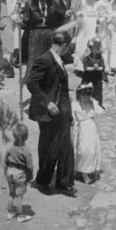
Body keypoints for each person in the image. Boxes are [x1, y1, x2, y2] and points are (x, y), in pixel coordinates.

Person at [26, 32, 76, 197]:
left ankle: (63, 182)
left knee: (65, 147)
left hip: (62, 109)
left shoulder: (58, 59)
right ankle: (43, 181)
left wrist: (68, 112)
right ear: (64, 45)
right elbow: (32, 83)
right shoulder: (45, 59)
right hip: (48, 111)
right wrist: (47, 102)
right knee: (49, 147)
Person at [21, 0, 65, 78]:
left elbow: (60, 19)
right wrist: (20, 21)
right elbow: (25, 22)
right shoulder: (30, 3)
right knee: (35, 58)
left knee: (50, 58)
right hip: (36, 34)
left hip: (50, 33)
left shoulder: (54, 3)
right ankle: (34, 78)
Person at [72, 82, 104, 184]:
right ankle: (81, 172)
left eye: (88, 96)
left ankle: (89, 169)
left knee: (92, 149)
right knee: (82, 150)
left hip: (91, 128)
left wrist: (93, 103)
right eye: (83, 96)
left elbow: (100, 112)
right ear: (79, 95)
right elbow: (72, 118)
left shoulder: (92, 103)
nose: (85, 98)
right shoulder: (75, 104)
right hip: (81, 128)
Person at [4, 123, 33, 222]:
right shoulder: (26, 150)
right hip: (20, 174)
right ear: (27, 136)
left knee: (11, 193)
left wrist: (6, 172)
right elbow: (29, 166)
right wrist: (30, 177)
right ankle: (20, 216)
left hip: (10, 171)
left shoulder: (10, 148)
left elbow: (5, 161)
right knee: (19, 196)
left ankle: (9, 212)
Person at [76, 37, 106, 108]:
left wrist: (98, 68)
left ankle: (98, 104)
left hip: (97, 75)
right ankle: (83, 102)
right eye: (95, 46)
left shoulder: (100, 56)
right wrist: (93, 68)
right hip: (88, 75)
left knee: (98, 89)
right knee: (85, 88)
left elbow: (103, 66)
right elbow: (86, 67)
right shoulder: (87, 56)